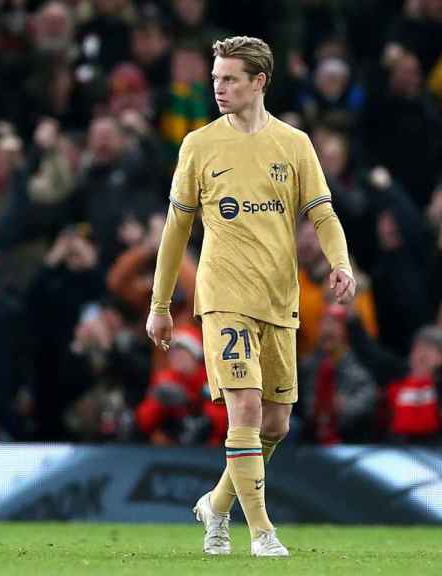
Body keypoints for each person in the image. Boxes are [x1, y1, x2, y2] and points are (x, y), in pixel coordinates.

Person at [146, 36, 355, 557]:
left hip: (278, 299)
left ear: (259, 82)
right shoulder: (198, 145)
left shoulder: (294, 143)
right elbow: (175, 232)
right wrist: (160, 306)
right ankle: (262, 532)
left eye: (230, 78)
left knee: (276, 422)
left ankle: (215, 506)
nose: (218, 87)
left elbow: (322, 215)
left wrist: (341, 264)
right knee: (244, 407)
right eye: (215, 78)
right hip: (223, 296)